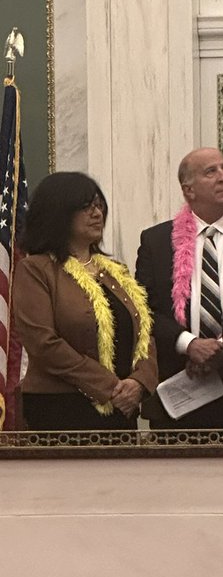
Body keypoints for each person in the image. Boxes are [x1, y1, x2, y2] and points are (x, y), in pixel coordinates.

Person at [12, 171, 158, 431]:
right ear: (57, 213)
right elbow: (43, 344)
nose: (96, 213)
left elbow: (144, 334)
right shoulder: (36, 269)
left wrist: (139, 383)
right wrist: (111, 387)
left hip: (122, 407)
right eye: (85, 206)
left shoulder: (115, 271)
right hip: (60, 408)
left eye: (99, 205)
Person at [135, 147, 223, 427]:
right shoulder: (156, 242)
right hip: (180, 386)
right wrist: (189, 344)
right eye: (210, 172)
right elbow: (144, 310)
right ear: (188, 190)